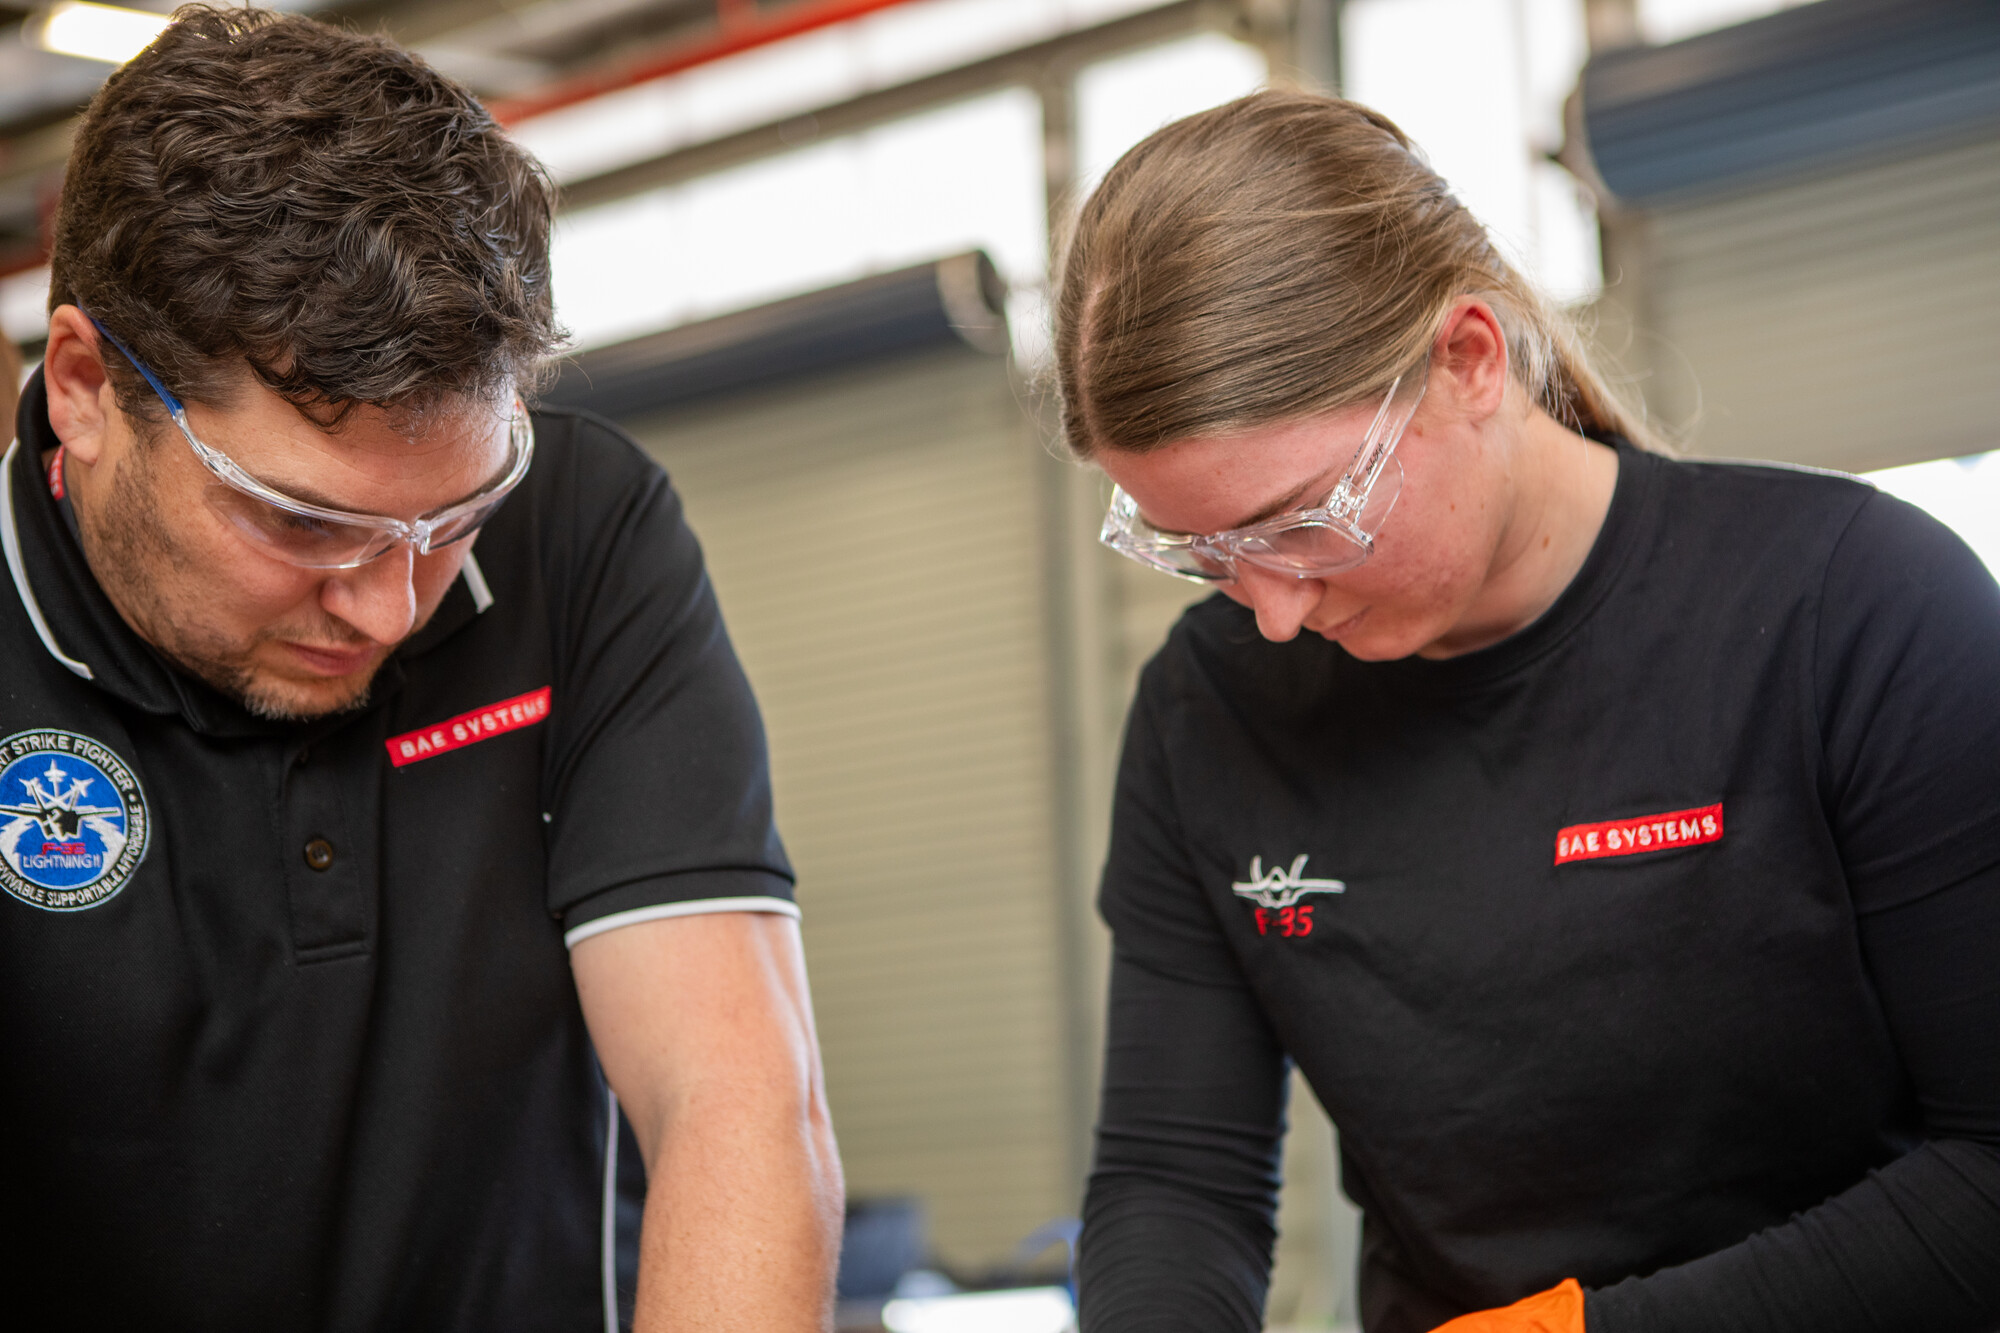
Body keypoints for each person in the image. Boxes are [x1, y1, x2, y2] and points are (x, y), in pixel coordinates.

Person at [1059, 91, 2000, 1333]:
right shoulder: (1206, 706)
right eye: (1204, 551)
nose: (1271, 612)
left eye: (1299, 524)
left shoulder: (1856, 605)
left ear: (1466, 360)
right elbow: (1173, 1182)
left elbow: (1987, 1174)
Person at [0, 9, 840, 1331]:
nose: (392, 606)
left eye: (454, 518)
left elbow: (731, 1096)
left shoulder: (584, 529)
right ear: (87, 386)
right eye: (303, 522)